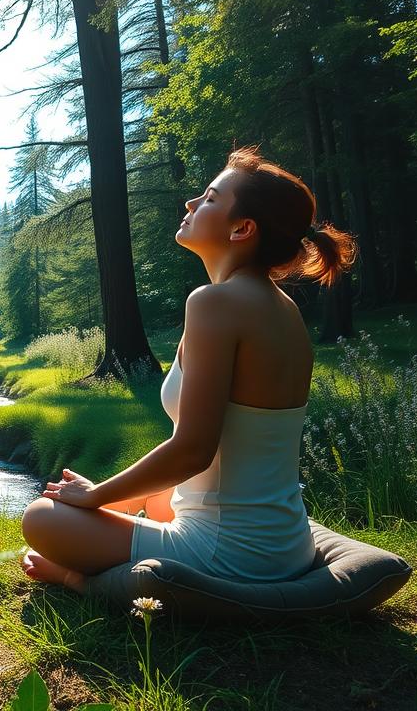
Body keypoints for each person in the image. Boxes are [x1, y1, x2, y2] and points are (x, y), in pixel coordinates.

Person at [20, 146, 357, 592]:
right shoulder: (280, 307)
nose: (191, 202)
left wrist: (97, 495)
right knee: (158, 497)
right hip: (285, 544)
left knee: (41, 518)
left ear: (242, 229)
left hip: (233, 553)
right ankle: (102, 545)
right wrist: (103, 498)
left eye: (210, 198)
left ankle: (81, 580)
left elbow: (193, 450)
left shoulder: (215, 303)